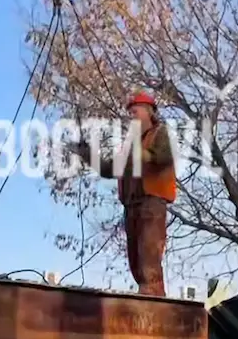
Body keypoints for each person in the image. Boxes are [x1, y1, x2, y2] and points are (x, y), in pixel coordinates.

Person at [71, 91, 176, 296]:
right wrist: (86, 153)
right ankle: (148, 296)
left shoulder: (160, 133)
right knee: (135, 257)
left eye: (135, 111)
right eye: (130, 113)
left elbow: (164, 156)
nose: (131, 116)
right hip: (132, 205)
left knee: (149, 252)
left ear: (149, 112)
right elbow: (109, 169)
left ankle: (153, 295)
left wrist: (142, 154)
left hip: (152, 201)